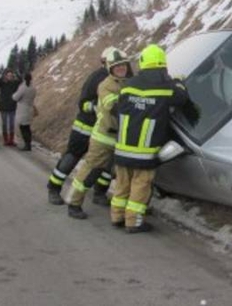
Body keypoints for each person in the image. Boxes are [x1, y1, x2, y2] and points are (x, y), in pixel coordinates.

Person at [110, 44, 195, 233]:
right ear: (163, 63)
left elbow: (117, 109)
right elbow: (182, 98)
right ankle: (133, 222)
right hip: (144, 152)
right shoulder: (166, 86)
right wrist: (179, 82)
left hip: (122, 147)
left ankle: (117, 216)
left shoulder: (128, 85)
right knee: (141, 185)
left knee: (123, 183)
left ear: (142, 63)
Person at [67, 47, 132, 219]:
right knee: (89, 172)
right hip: (103, 138)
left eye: (123, 66)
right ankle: (73, 203)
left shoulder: (128, 82)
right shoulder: (105, 85)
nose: (121, 69)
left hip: (120, 138)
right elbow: (113, 106)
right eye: (117, 67)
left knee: (119, 173)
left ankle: (121, 205)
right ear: (110, 68)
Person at [46, 48, 112, 205]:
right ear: (106, 61)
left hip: (104, 130)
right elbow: (83, 103)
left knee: (106, 163)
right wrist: (98, 106)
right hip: (85, 127)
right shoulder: (97, 77)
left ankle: (100, 193)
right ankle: (54, 188)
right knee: (72, 157)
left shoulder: (118, 79)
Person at [0, 68, 21, 146]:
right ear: (5, 76)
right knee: (5, 124)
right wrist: (0, 78)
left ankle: (11, 140)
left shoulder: (14, 83)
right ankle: (6, 140)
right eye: (8, 75)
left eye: (11, 76)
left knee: (12, 124)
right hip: (3, 107)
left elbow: (21, 81)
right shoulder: (2, 83)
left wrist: (17, 74)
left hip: (12, 107)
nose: (10, 77)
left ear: (13, 76)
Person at [12, 73, 37, 151]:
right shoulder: (33, 88)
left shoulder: (23, 88)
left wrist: (14, 94)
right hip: (30, 109)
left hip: (22, 109)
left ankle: (27, 144)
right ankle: (28, 143)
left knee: (23, 128)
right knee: (27, 127)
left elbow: (15, 97)